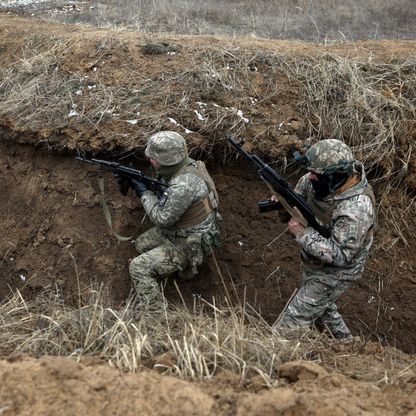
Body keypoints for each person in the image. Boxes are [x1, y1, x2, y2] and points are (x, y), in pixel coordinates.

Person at [273, 139, 376, 338]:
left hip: (339, 271)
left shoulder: (356, 209)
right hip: (316, 260)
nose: (309, 177)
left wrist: (303, 233)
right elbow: (297, 202)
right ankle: (349, 348)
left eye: (316, 174)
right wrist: (283, 203)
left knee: (288, 328)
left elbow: (341, 256)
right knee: (322, 311)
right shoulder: (319, 180)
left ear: (335, 176)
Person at [121, 131, 221, 312]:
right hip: (186, 231)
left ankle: (156, 313)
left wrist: (143, 191)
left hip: (189, 244)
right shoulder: (189, 166)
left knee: (138, 267)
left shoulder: (183, 185)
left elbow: (162, 218)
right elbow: (169, 192)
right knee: (141, 244)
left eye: (154, 158)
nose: (150, 161)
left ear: (168, 159)